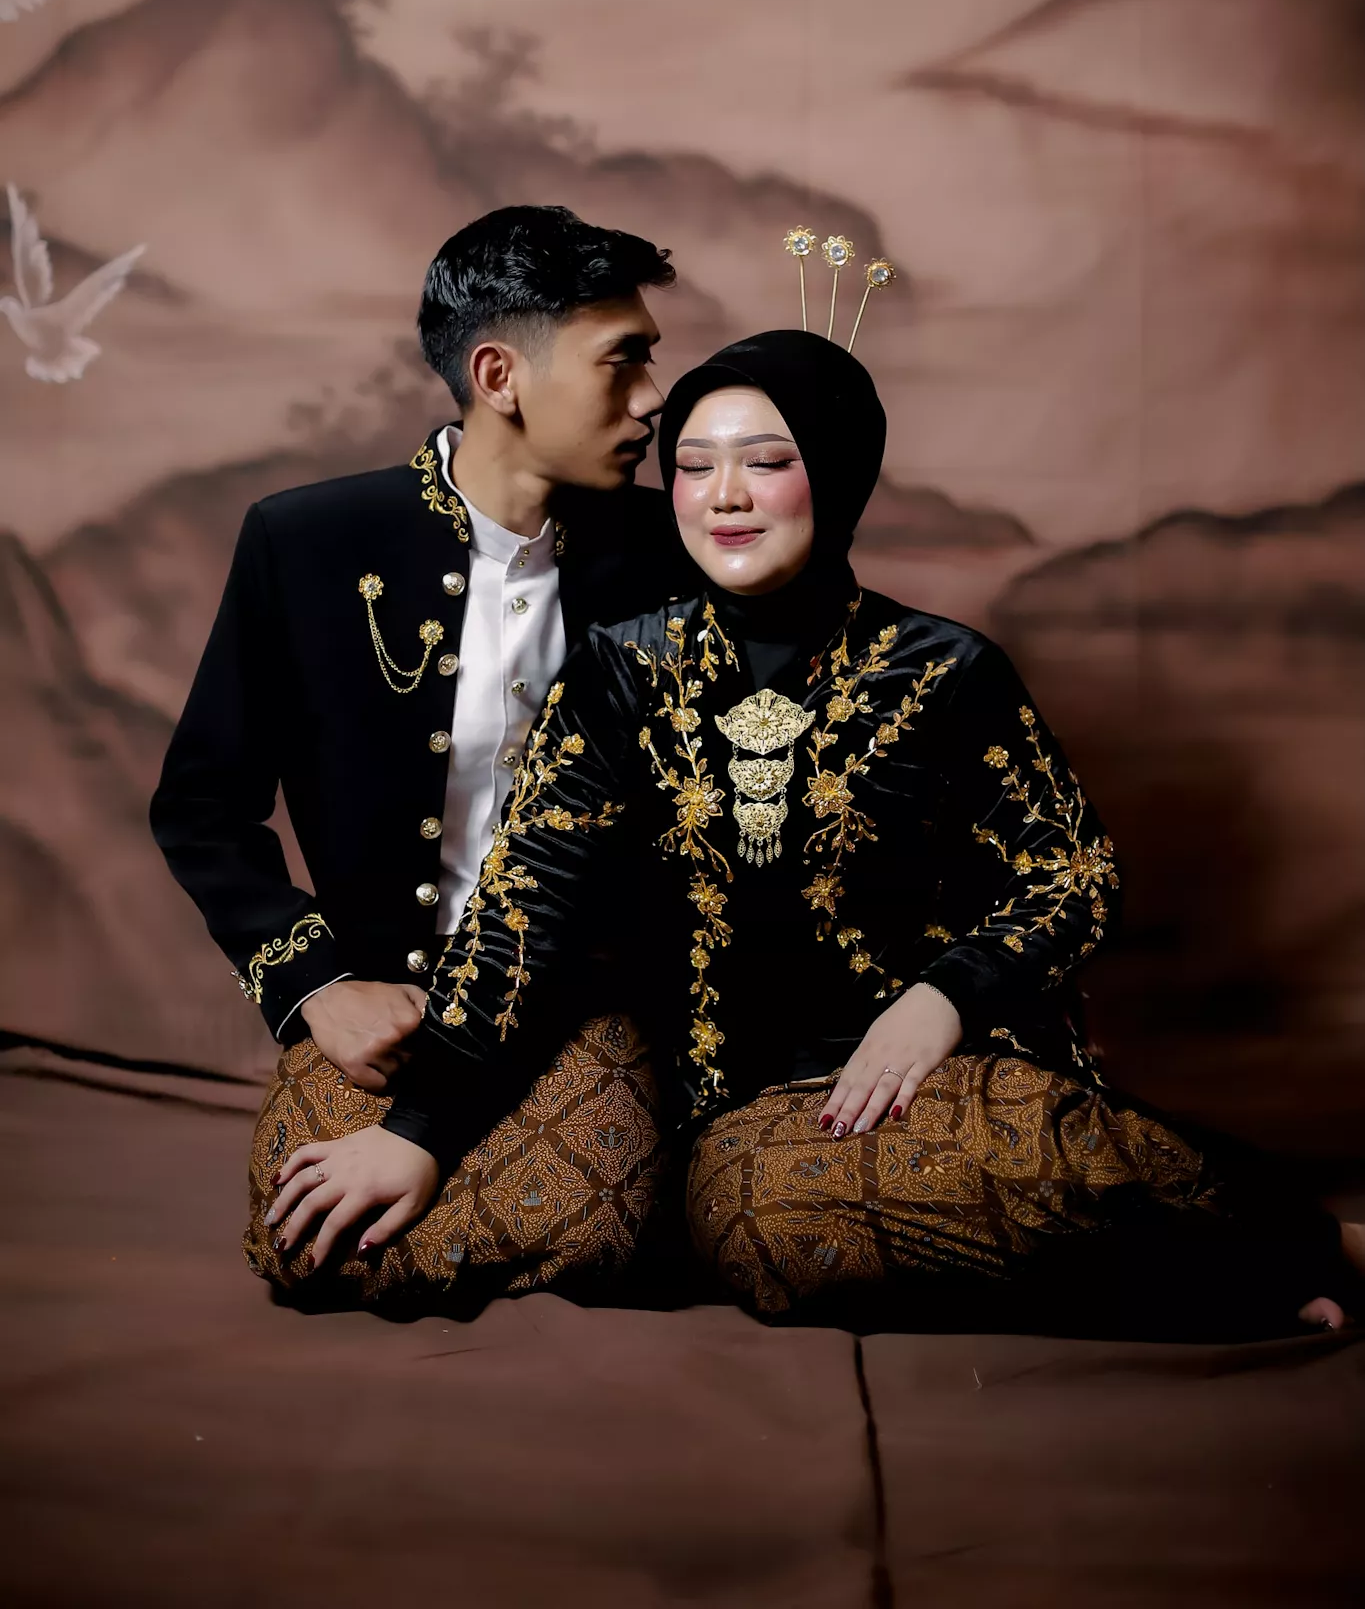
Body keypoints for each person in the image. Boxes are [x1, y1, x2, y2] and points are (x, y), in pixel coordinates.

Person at [264, 323, 1360, 1333]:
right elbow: (526, 902)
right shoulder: (622, 670)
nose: (725, 496)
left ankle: (1290, 1246)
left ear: (836, 475)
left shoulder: (943, 670)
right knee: (755, 1226)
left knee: (832, 1212)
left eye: (765, 461)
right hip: (706, 1105)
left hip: (923, 1073)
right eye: (694, 465)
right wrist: (415, 1133)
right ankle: (1235, 1269)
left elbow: (1073, 875)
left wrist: (941, 1000)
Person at [151, 204, 680, 1309]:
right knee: (309, 1235)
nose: (651, 397)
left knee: (591, 1230)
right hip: (387, 1002)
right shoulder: (307, 541)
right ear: (499, 375)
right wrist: (316, 985)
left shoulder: (667, 556)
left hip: (584, 1000)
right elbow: (202, 806)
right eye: (622, 361)